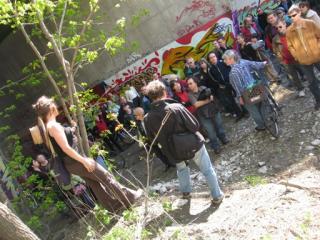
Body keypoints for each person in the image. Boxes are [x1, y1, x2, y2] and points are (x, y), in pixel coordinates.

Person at [32, 96, 142, 212]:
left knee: (95, 184)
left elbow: (64, 140)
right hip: (76, 161)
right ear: (51, 108)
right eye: (53, 104)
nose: (56, 106)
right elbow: (65, 148)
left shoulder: (51, 126)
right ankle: (130, 198)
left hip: (72, 163)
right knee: (106, 177)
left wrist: (72, 128)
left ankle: (113, 207)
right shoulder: (53, 126)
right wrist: (84, 161)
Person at [144, 80, 224, 203]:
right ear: (164, 92)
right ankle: (217, 196)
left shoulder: (147, 118)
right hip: (192, 143)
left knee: (181, 170)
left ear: (150, 97)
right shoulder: (176, 107)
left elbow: (152, 140)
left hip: (172, 150)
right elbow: (194, 125)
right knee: (207, 169)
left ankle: (186, 193)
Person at [223, 50, 268, 131]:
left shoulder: (233, 72)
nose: (224, 61)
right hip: (254, 87)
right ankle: (266, 121)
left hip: (246, 93)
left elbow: (238, 87)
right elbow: (254, 64)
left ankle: (261, 126)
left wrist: (240, 98)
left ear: (231, 59)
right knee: (260, 104)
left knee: (253, 110)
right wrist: (263, 63)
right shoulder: (243, 62)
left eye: (225, 59)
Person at [286, 5, 320, 110]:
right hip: (303, 61)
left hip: (317, 56)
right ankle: (318, 100)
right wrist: (297, 56)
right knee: (311, 82)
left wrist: (318, 49)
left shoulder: (310, 23)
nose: (292, 18)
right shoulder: (289, 30)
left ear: (299, 13)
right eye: (290, 16)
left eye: (294, 15)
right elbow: (290, 46)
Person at [187, 77, 228, 154]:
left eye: (190, 83)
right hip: (203, 115)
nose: (189, 85)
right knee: (210, 131)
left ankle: (223, 138)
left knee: (219, 125)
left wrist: (209, 99)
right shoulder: (190, 95)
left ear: (195, 83)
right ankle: (216, 146)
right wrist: (207, 100)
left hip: (213, 110)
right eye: (188, 84)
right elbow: (196, 104)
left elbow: (211, 96)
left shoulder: (203, 88)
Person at [207, 52, 244, 120]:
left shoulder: (223, 62)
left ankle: (245, 111)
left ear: (216, 57)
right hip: (224, 86)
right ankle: (239, 113)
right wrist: (220, 84)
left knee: (239, 96)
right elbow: (213, 79)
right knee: (231, 100)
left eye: (214, 56)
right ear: (209, 60)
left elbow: (231, 67)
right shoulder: (211, 69)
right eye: (211, 58)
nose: (213, 58)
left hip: (232, 81)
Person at [273, 19, 305, 97]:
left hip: (298, 57)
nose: (278, 29)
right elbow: (276, 50)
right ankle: (300, 89)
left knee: (306, 71)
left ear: (284, 24)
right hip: (287, 61)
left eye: (280, 27)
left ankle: (315, 83)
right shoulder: (275, 39)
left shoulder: (292, 32)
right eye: (276, 28)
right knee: (294, 77)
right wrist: (281, 59)